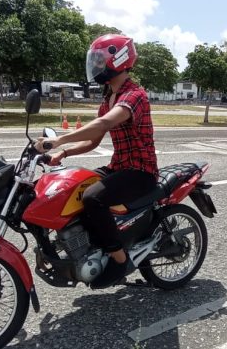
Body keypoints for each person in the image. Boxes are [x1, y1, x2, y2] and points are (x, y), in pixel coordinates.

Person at [36, 34, 158, 289]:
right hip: (119, 167)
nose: (97, 66)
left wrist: (59, 140)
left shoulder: (134, 95)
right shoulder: (107, 100)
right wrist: (64, 153)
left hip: (140, 171)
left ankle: (118, 259)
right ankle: (92, 246)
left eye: (101, 61)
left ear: (119, 59)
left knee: (94, 198)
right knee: (75, 189)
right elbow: (94, 140)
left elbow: (104, 124)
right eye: (95, 61)